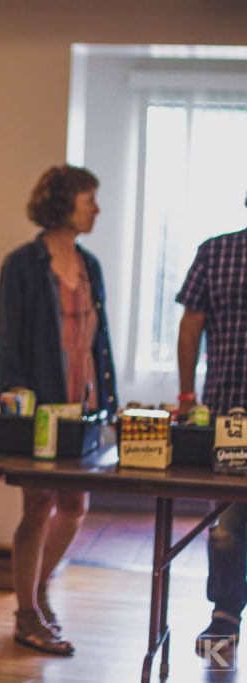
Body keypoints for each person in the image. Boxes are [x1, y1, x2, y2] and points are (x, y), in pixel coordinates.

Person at [0, 164, 118, 656]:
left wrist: (109, 402)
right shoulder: (21, 265)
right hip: (41, 405)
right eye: (90, 199)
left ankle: (37, 591)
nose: (96, 208)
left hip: (84, 406)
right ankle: (27, 615)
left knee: (75, 506)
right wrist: (14, 393)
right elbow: (10, 341)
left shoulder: (91, 266)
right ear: (64, 202)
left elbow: (99, 342)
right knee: (37, 506)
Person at [177, 195, 247, 657]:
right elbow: (190, 326)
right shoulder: (215, 251)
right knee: (226, 523)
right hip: (229, 412)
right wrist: (186, 397)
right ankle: (224, 613)